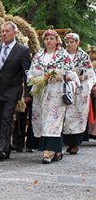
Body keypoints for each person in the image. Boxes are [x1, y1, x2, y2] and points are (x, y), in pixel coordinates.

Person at [0, 21, 32, 161]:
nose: (4, 33)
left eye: (7, 31)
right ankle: (6, 147)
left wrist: (28, 93)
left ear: (15, 33)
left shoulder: (23, 50)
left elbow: (27, 73)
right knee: (0, 119)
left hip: (12, 91)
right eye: (2, 31)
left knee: (6, 118)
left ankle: (2, 148)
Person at [27, 30, 77, 163]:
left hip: (56, 93)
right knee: (43, 121)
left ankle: (47, 153)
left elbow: (71, 74)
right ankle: (57, 150)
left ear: (56, 40)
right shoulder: (38, 55)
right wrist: (39, 78)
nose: (49, 41)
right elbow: (30, 73)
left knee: (53, 121)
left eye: (51, 38)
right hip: (41, 93)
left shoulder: (63, 55)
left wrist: (58, 76)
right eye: (46, 38)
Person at [62, 33, 94, 154]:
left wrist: (80, 77)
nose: (69, 44)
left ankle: (75, 143)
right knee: (65, 115)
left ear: (77, 43)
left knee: (77, 115)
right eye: (68, 42)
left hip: (79, 89)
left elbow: (90, 73)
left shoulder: (83, 56)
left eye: (72, 42)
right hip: (66, 87)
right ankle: (67, 142)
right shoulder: (62, 55)